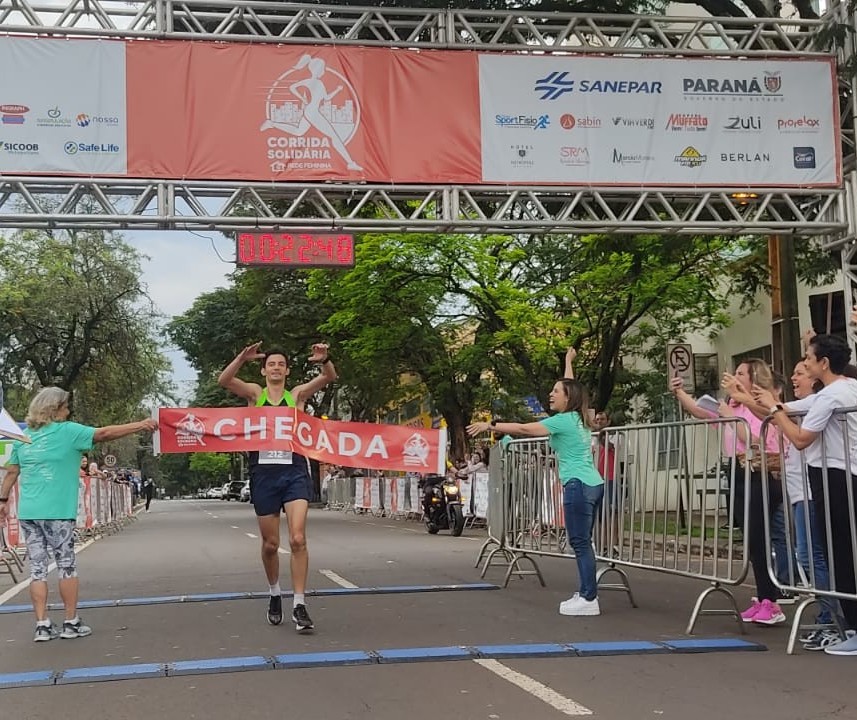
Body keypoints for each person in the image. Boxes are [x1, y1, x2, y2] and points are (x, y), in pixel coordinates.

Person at [0, 387, 157, 642]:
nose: (68, 411)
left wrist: (3, 501)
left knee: (37, 569)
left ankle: (41, 625)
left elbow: (11, 473)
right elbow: (104, 433)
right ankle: (70, 622)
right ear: (55, 409)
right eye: (65, 406)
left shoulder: (24, 438)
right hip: (58, 512)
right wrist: (140, 425)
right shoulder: (68, 431)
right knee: (66, 566)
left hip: (29, 513)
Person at [467, 348, 605, 617]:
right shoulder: (580, 416)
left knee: (580, 543)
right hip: (593, 484)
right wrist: (567, 362)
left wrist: (490, 425)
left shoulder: (564, 420)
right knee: (583, 542)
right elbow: (571, 387)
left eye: (555, 391)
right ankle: (587, 592)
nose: (550, 395)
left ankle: (589, 598)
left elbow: (524, 429)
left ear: (568, 398)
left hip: (578, 484)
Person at [218, 341, 337, 632]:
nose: (276, 368)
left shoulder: (296, 396)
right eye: (271, 364)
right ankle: (274, 593)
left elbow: (329, 378)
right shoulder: (255, 394)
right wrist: (241, 357)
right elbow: (224, 380)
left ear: (287, 370)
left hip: (294, 471)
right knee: (271, 544)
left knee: (297, 539)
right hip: (264, 475)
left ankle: (299, 604)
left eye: (281, 364)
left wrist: (325, 360)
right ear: (263, 370)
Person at [752, 334, 857, 656]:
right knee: (839, 551)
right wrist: (756, 401)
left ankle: (853, 627)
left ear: (823, 363)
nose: (806, 364)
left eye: (809, 358)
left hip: (837, 478)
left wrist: (773, 408)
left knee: (841, 553)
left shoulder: (833, 395)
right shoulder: (839, 390)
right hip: (835, 477)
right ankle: (849, 627)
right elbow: (786, 410)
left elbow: (799, 437)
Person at [671, 359, 786, 625]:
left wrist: (731, 417)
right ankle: (763, 597)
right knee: (750, 538)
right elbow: (701, 412)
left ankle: (772, 601)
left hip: (759, 472)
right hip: (737, 469)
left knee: (760, 537)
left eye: (741, 373)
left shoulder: (758, 407)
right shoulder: (732, 406)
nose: (734, 377)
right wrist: (679, 392)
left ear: (753, 379)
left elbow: (757, 441)